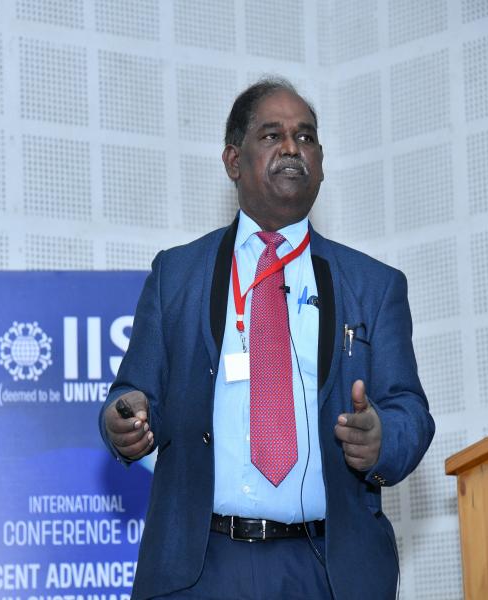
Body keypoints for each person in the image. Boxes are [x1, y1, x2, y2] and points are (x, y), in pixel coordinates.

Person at [99, 78, 435, 599]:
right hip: (202, 568)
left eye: (306, 137)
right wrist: (125, 420)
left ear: (320, 162)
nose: (292, 148)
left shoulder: (373, 285)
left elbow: (409, 410)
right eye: (272, 135)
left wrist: (382, 437)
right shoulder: (177, 275)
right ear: (233, 160)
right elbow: (132, 393)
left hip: (326, 569)